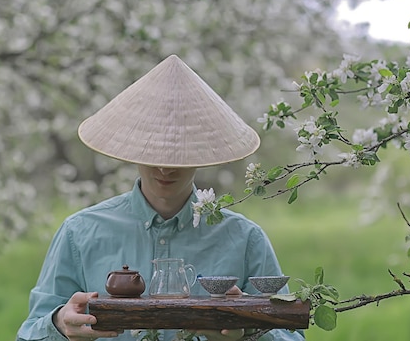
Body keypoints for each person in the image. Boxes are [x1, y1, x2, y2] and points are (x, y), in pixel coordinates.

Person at [16, 55, 305, 341]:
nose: (165, 167)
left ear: (202, 153)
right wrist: (60, 325)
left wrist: (246, 334)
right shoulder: (79, 232)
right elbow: (31, 332)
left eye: (178, 155)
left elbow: (287, 333)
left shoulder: (244, 239)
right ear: (134, 150)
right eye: (153, 153)